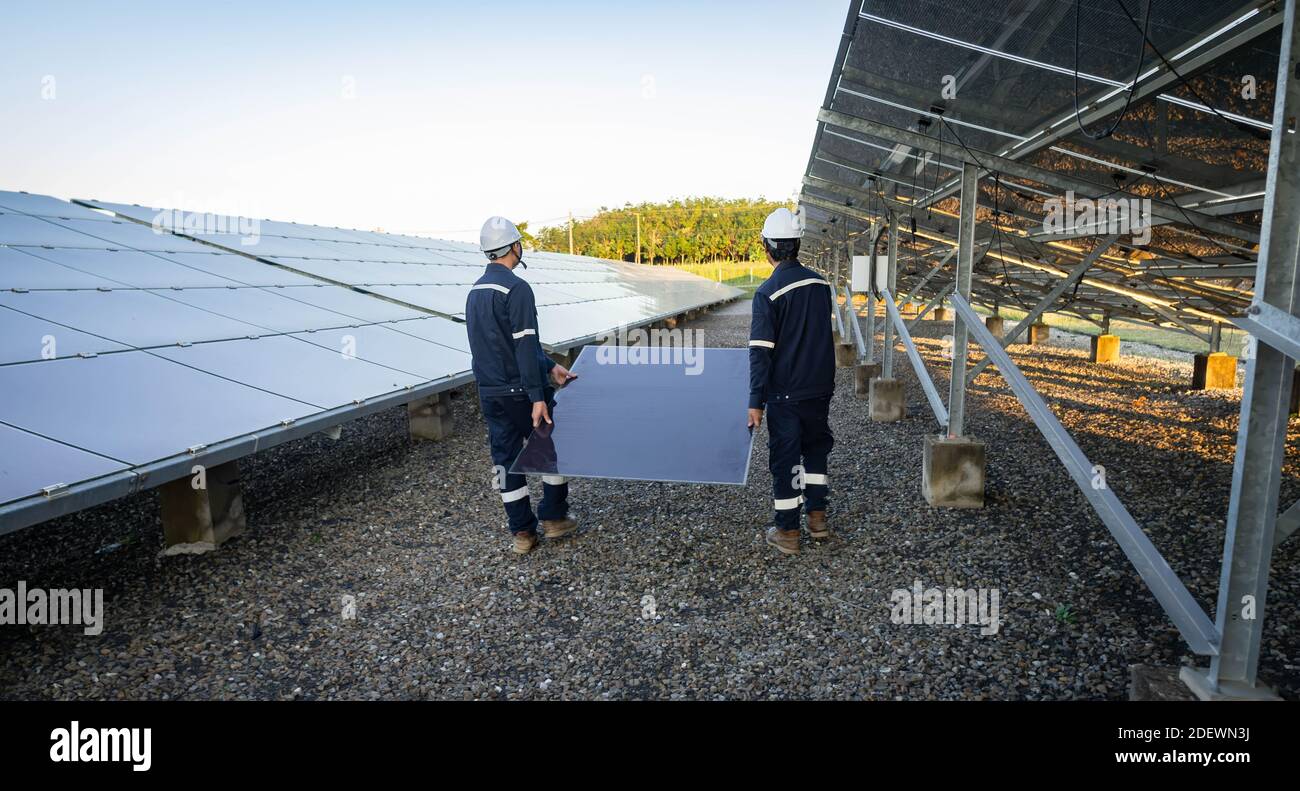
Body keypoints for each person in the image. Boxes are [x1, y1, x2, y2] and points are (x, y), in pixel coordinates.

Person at [466, 216, 578, 554]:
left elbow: (500, 345)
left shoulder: (475, 292)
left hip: (491, 393)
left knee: (505, 459)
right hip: (521, 393)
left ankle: (522, 534)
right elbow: (525, 346)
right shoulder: (517, 289)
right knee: (549, 450)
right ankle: (554, 519)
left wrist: (551, 366)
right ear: (515, 246)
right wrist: (536, 396)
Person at [747, 207, 836, 555]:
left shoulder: (767, 293)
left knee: (785, 460)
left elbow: (760, 352)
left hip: (785, 393)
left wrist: (755, 401)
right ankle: (817, 519)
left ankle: (787, 532)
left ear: (767, 248)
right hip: (820, 388)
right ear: (797, 244)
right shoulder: (820, 284)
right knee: (815, 451)